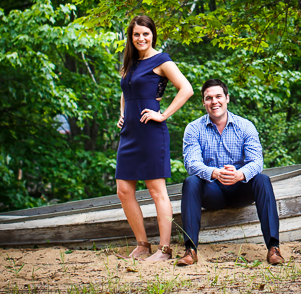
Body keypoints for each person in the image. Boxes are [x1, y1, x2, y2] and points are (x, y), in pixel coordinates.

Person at [177, 78, 284, 266]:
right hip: (212, 191)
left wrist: (240, 175)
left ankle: (273, 248)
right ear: (203, 102)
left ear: (227, 98)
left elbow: (257, 162)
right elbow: (191, 163)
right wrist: (214, 173)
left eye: (218, 96)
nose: (214, 101)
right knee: (191, 181)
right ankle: (190, 250)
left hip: (239, 189)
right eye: (208, 98)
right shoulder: (193, 129)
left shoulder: (245, 126)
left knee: (263, 180)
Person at [115, 15, 193, 261]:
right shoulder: (130, 63)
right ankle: (142, 244)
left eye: (145, 34)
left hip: (150, 131)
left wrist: (163, 115)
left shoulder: (162, 60)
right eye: (136, 34)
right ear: (131, 36)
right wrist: (122, 114)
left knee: (155, 189)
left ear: (153, 35)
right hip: (129, 133)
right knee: (124, 190)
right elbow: (126, 92)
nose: (141, 38)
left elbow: (187, 88)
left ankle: (165, 249)